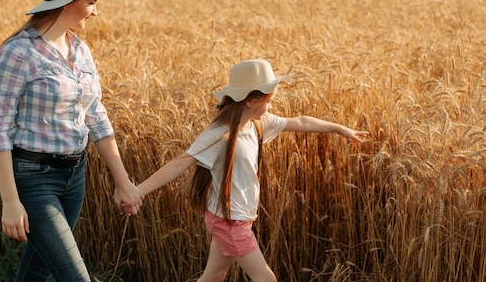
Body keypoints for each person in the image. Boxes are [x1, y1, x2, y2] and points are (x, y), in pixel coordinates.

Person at [134, 59, 368, 282]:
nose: (271, 106)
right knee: (266, 278)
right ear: (249, 100)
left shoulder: (257, 122)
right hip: (230, 221)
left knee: (213, 277)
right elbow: (180, 163)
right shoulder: (220, 134)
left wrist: (340, 129)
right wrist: (138, 190)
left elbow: (301, 122)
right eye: (268, 101)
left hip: (233, 217)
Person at [0, 0, 144, 282]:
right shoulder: (19, 52)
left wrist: (122, 180)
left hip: (74, 176)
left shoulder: (81, 50)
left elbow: (96, 116)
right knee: (75, 277)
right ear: (69, 2)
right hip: (33, 178)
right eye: (92, 3)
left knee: (39, 269)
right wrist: (10, 202)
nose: (95, 13)